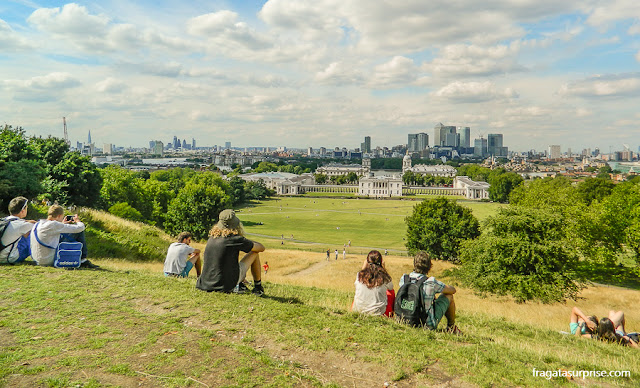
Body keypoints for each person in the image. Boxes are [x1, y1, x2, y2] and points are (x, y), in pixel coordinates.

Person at [196, 209, 265, 295]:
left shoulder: (212, 238)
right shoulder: (235, 239)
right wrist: (245, 240)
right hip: (224, 285)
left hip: (204, 283)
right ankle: (258, 287)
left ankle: (241, 285)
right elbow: (261, 248)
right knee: (254, 253)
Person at [398, 251, 461, 334]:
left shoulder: (404, 278)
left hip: (404, 320)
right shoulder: (430, 282)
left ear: (414, 264)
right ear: (429, 266)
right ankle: (451, 326)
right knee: (449, 296)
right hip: (426, 325)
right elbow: (452, 290)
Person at [30, 205, 98, 268]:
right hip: (47, 259)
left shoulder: (38, 223)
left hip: (37, 259)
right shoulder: (54, 224)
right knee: (78, 232)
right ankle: (83, 259)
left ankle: (82, 259)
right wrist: (78, 221)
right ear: (59, 216)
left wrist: (62, 224)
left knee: (65, 233)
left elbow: (51, 230)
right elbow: (80, 227)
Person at [352, 250, 394, 316]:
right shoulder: (384, 277)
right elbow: (391, 287)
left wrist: (363, 267)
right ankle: (391, 315)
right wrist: (384, 269)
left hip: (358, 310)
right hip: (378, 312)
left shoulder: (359, 275)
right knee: (391, 292)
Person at [1, 196, 36, 264]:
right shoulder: (22, 225)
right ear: (22, 210)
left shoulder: (3, 221)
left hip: (2, 254)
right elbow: (41, 227)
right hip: (9, 258)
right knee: (33, 234)